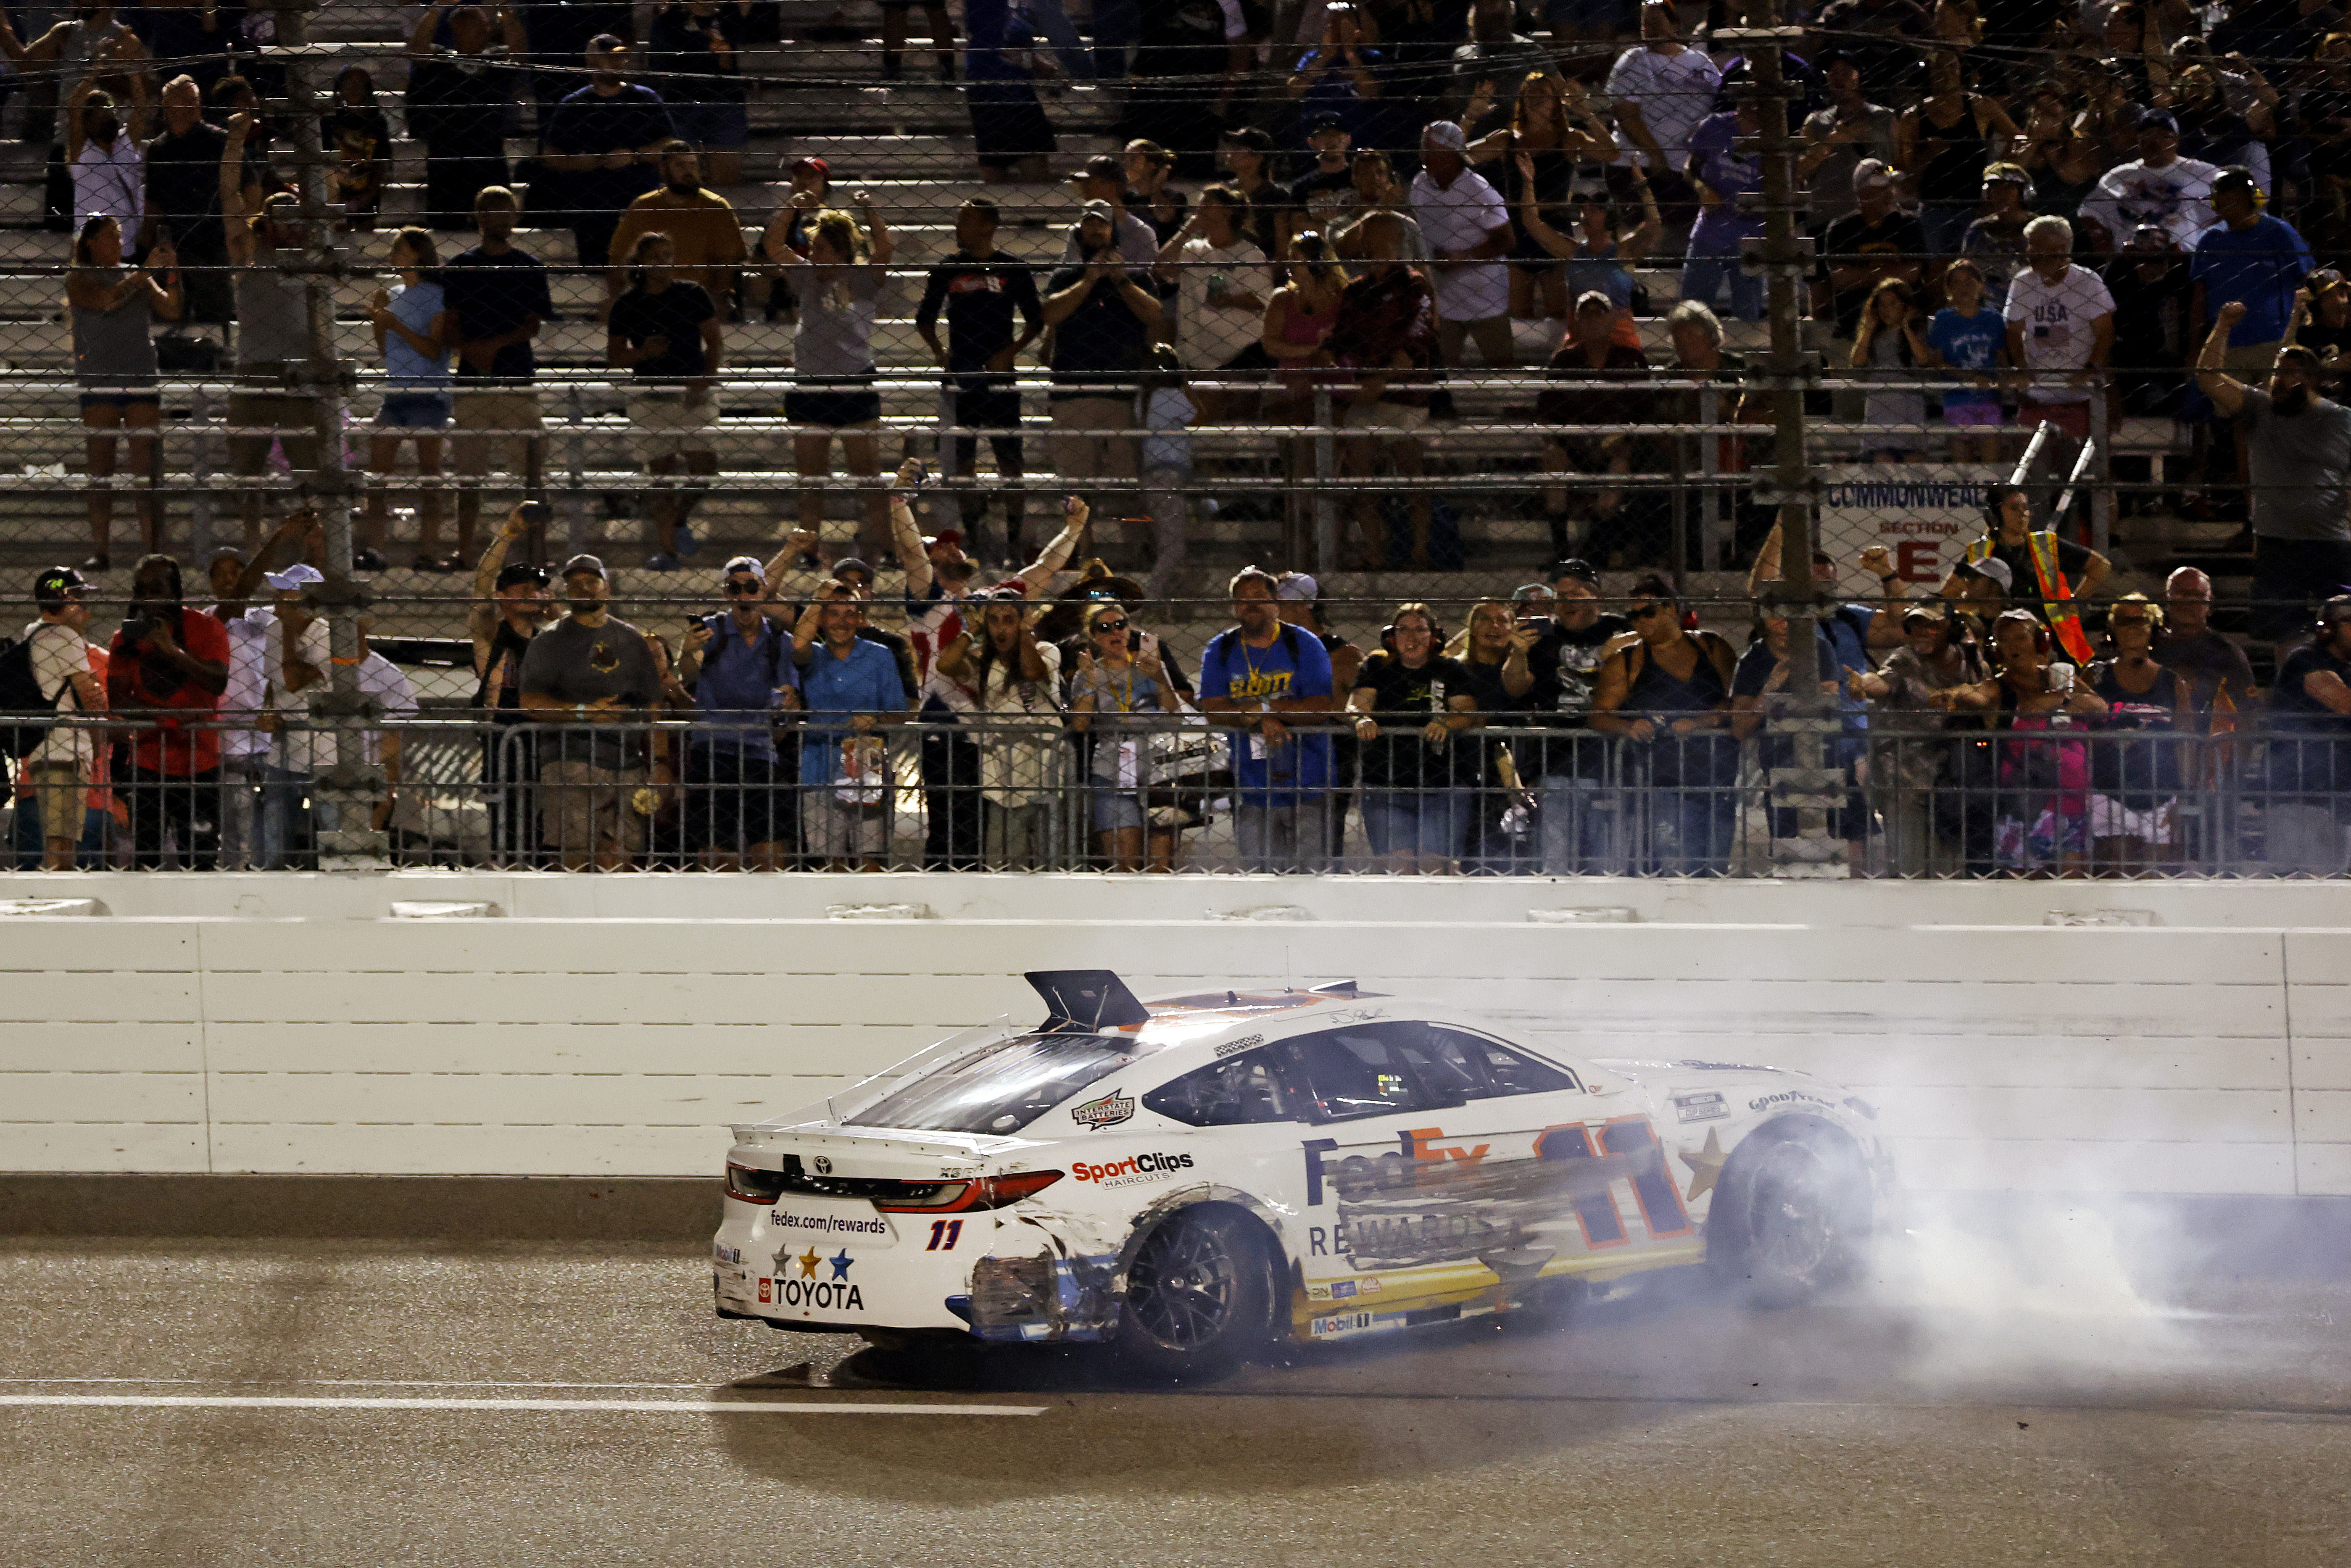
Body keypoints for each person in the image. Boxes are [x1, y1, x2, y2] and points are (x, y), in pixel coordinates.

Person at [2195, 303, 2351, 652]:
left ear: (2312, 380)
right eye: (2278, 371)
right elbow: (2208, 377)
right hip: (2277, 543)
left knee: (2344, 636)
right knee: (2285, 637)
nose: (2280, 379)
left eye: (2291, 373)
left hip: (2331, 544)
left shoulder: (2340, 420)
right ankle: (2293, 690)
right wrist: (2222, 326)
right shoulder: (2260, 408)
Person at [220, 116, 330, 559]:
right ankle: (252, 548)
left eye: (296, 223)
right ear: (266, 224)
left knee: (309, 470)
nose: (291, 230)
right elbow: (229, 198)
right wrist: (233, 143)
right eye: (282, 222)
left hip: (299, 373)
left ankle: (313, 548)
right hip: (255, 367)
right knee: (247, 471)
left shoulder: (310, 256)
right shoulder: (250, 252)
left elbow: (331, 203)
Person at [517, 553, 669, 872]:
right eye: (575, 584)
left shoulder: (631, 640)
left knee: (623, 856)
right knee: (573, 856)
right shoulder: (550, 640)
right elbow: (531, 701)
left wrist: (659, 762)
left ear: (607, 588)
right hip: (570, 760)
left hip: (627, 764)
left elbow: (654, 703)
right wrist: (585, 712)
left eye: (591, 582)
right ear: (566, 592)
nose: (584, 589)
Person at [915, 196, 1042, 562]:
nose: (958, 227)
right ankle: (976, 538)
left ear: (987, 225)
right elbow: (925, 318)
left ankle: (1016, 544)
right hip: (963, 375)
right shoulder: (948, 268)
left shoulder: (1013, 268)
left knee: (1010, 461)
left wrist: (1011, 351)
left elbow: (1036, 319)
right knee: (963, 464)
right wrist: (941, 354)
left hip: (1001, 375)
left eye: (965, 220)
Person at [1589, 572, 1738, 875]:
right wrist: (1627, 727)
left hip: (1718, 777)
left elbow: (1735, 700)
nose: (1640, 622)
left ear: (1671, 609)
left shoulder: (1712, 647)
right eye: (1633, 616)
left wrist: (1703, 721)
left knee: (1717, 872)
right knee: (1679, 873)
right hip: (1663, 781)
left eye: (1648, 612)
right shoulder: (1628, 661)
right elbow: (1598, 713)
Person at [1940, 609, 2108, 875]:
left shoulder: (2060, 678)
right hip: (2025, 807)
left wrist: (2056, 699)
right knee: (2023, 888)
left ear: (2039, 642)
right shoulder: (1997, 687)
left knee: (2072, 889)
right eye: (2004, 640)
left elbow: (2100, 707)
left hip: (2072, 804)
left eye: (2021, 637)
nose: (2013, 646)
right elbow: (1982, 696)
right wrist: (1954, 695)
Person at [1199, 566, 1336, 870]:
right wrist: (1264, 717)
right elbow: (1213, 709)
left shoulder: (1303, 644)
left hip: (1308, 780)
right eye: (1242, 599)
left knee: (1312, 876)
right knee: (1258, 876)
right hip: (1251, 784)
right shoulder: (1220, 649)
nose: (1251, 605)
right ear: (1234, 606)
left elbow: (1320, 706)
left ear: (1276, 603)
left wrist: (1263, 711)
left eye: (1259, 597)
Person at [1321, 211, 1437, 569]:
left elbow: (1418, 339)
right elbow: (1340, 339)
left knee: (1410, 471)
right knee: (1359, 475)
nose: (1368, 243)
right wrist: (1334, 370)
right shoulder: (1356, 290)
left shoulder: (1414, 285)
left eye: (1373, 235)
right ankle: (1375, 552)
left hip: (1404, 393)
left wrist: (1382, 380)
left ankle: (1421, 552)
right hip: (1365, 391)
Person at [783, 196, 893, 565]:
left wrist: (869, 211)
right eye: (814, 247)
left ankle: (888, 546)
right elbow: (772, 246)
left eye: (823, 248)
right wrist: (791, 208)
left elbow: (885, 250)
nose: (815, 254)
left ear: (842, 250)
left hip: (853, 380)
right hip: (811, 382)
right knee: (811, 477)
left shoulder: (861, 277)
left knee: (868, 475)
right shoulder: (807, 275)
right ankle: (809, 549)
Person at [445, 187, 553, 563]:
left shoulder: (529, 267)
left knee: (531, 473)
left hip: (516, 377)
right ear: (479, 218)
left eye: (507, 212)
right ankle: (465, 550)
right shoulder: (460, 268)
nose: (502, 219)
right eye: (493, 212)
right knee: (468, 475)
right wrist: (471, 349)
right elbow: (452, 324)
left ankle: (537, 551)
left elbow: (533, 324)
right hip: (472, 380)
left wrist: (493, 346)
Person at [1041, 203, 1162, 533]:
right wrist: (1089, 280)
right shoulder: (1066, 276)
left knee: (1127, 485)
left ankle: (1134, 550)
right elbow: (1049, 314)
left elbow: (1156, 316)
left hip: (1122, 394)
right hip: (1073, 393)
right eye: (1089, 224)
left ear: (1114, 231)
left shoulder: (1136, 277)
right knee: (1077, 488)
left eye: (1103, 225)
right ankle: (1080, 552)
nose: (1096, 231)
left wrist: (1120, 281)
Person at [674, 555, 800, 871]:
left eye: (751, 587)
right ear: (726, 593)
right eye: (735, 588)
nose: (744, 595)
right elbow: (689, 673)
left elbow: (787, 692)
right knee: (717, 854)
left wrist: (787, 705)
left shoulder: (779, 640)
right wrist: (687, 650)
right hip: (714, 749)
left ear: (764, 591)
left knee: (770, 853)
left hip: (761, 752)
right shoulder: (711, 630)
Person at [67, 212, 177, 570]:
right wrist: (145, 272)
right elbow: (106, 300)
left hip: (141, 377)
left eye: (119, 235)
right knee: (101, 470)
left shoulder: (137, 276)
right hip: (99, 380)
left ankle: (152, 551)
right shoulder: (79, 277)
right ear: (91, 242)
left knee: (145, 471)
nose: (118, 242)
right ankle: (101, 550)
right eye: (111, 236)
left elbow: (171, 308)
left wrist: (172, 271)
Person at [608, 230, 723, 572]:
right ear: (641, 262)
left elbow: (714, 341)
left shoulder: (692, 293)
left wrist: (706, 377)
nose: (662, 262)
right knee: (662, 477)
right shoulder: (628, 303)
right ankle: (669, 551)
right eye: (655, 256)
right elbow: (615, 356)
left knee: (705, 466)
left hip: (691, 392)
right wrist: (643, 352)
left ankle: (679, 522)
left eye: (667, 255)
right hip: (651, 394)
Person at [105, 553, 229, 870]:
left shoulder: (205, 626)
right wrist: (171, 718)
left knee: (201, 859)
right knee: (146, 859)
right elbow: (119, 701)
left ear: (175, 591)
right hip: (149, 763)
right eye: (143, 590)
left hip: (199, 762)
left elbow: (217, 681)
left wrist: (171, 650)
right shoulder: (126, 639)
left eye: (157, 588)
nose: (150, 598)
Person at [1848, 599, 1985, 875]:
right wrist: (1863, 684)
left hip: (1953, 774)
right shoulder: (1905, 658)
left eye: (1930, 626)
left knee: (1948, 865)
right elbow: (1883, 682)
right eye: (1915, 626)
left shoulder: (1969, 660)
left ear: (1949, 627)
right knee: (1910, 864)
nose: (1921, 633)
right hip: (1905, 774)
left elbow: (1988, 697)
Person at [1348, 602, 1481, 874]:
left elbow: (1467, 711)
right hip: (1386, 781)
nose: (1412, 638)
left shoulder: (1449, 669)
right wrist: (1362, 718)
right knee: (1400, 867)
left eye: (1420, 630)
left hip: (1442, 781)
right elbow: (1357, 703)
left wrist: (1445, 721)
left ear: (1433, 637)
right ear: (1392, 637)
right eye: (1404, 630)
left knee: (1435, 866)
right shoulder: (1376, 666)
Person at [538, 35, 675, 271]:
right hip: (593, 208)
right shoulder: (574, 104)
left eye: (621, 57)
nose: (618, 63)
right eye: (610, 58)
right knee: (598, 271)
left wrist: (634, 155)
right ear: (592, 62)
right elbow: (550, 154)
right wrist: (578, 164)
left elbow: (670, 144)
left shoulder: (644, 98)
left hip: (639, 202)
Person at [796, 582, 907, 872]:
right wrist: (819, 597)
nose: (842, 622)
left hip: (866, 761)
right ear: (821, 618)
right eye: (833, 614)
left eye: (850, 614)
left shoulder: (880, 655)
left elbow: (899, 713)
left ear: (860, 619)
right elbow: (797, 645)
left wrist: (875, 718)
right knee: (830, 861)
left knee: (870, 854)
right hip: (819, 764)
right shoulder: (812, 656)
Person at [361, 228, 454, 572]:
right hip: (395, 391)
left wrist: (394, 324)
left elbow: (434, 349)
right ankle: (375, 548)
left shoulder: (437, 295)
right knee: (377, 474)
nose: (392, 255)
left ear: (417, 254)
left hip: (427, 393)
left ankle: (427, 550)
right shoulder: (394, 293)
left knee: (429, 474)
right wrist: (379, 319)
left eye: (399, 249)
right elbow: (386, 350)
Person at [467, 505, 552, 867]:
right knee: (507, 823)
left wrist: (557, 610)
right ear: (505, 596)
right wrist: (508, 533)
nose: (534, 594)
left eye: (539, 589)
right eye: (525, 589)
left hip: (545, 743)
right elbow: (481, 585)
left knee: (544, 825)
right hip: (504, 742)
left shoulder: (550, 640)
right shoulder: (493, 634)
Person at [1537, 291, 1650, 564]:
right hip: (1575, 444)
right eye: (1585, 316)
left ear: (1612, 321)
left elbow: (1646, 409)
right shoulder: (1564, 362)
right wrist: (1559, 441)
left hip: (1618, 444)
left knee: (1620, 464)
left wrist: (1626, 438)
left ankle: (1593, 549)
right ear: (1576, 323)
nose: (1593, 322)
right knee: (1553, 460)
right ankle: (1562, 552)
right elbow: (1548, 413)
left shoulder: (1631, 360)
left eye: (1599, 315)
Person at [1937, 485, 2109, 663]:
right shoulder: (1981, 550)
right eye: (2014, 508)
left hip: (2055, 637)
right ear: (1995, 514)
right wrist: (1975, 605)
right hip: (2001, 638)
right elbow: (1949, 593)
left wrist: (2074, 599)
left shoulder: (2045, 544)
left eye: (2025, 508)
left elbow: (2100, 566)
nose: (2023, 514)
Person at [2083, 594, 2191, 873]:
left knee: (2158, 876)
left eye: (2141, 620)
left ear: (2154, 628)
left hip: (2161, 793)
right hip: (2108, 792)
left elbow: (2186, 743)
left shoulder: (2172, 681)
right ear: (2112, 630)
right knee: (2118, 871)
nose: (2133, 627)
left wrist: (2186, 798)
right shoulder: (2095, 676)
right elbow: (2080, 732)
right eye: (2124, 621)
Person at [403, 2, 523, 231]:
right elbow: (418, 50)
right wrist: (437, 10)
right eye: (477, 25)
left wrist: (506, 11)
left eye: (484, 26)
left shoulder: (494, 59)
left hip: (487, 152)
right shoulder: (442, 58)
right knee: (447, 226)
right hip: (447, 155)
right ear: (457, 28)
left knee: (497, 222)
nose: (485, 31)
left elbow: (519, 54)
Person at [1157, 187, 1272, 423]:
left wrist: (1229, 299)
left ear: (1228, 212)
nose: (1201, 212)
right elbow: (1161, 268)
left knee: (1234, 424)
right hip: (1197, 351)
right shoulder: (1194, 250)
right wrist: (1188, 229)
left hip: (1237, 353)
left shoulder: (1250, 255)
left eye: (1207, 206)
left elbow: (1263, 301)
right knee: (1202, 423)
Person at [1605, 0, 1721, 230]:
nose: (1650, 29)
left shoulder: (1701, 62)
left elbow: (1720, 104)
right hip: (1642, 165)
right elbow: (1626, 114)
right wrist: (1656, 157)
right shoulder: (1635, 59)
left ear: (1675, 25)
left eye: (1657, 22)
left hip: (1687, 168)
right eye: (1645, 24)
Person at [1409, 119, 1513, 371]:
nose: (1424, 155)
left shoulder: (1478, 191)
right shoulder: (1421, 184)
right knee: (1441, 364)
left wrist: (1463, 257)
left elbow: (1507, 240)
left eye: (1432, 150)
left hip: (1484, 295)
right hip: (1442, 295)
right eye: (1424, 148)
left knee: (1501, 365)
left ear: (1452, 154)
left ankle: (1512, 406)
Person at [2002, 215, 2115, 445]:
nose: (2030, 252)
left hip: (2079, 391)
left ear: (2060, 249)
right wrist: (2021, 367)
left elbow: (2105, 333)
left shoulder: (2087, 282)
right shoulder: (2023, 282)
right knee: (2032, 459)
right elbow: (2014, 332)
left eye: (2037, 245)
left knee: (2075, 457)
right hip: (2037, 390)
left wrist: (2089, 369)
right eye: (2030, 245)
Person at [19, 566, 104, 870]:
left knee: (59, 839)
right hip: (65, 751)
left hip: (44, 748)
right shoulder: (64, 636)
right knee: (62, 845)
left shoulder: (32, 634)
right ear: (61, 601)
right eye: (78, 597)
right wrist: (94, 691)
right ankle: (54, 903)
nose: (86, 606)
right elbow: (92, 699)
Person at [605, 142, 746, 318]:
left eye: (693, 164)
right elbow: (619, 259)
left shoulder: (716, 207)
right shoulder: (643, 207)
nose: (689, 171)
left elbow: (728, 264)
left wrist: (717, 301)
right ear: (664, 170)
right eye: (680, 165)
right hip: (650, 300)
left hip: (699, 299)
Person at [2266, 595, 2351, 874]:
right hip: (2302, 798)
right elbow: (2344, 702)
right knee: (2306, 891)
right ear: (2328, 628)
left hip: (2338, 798)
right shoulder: (2304, 660)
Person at [140, 74, 229, 324]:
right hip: (174, 247)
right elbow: (153, 202)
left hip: (213, 244)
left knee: (214, 319)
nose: (186, 109)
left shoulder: (219, 141)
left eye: (191, 102)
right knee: (169, 317)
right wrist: (148, 245)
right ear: (166, 108)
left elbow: (248, 186)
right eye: (178, 103)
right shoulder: (159, 149)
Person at [2077, 109, 2220, 255]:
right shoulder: (2120, 175)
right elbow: (2089, 213)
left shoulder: (2200, 172)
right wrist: (2105, 247)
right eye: (2147, 136)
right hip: (2133, 258)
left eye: (2163, 137)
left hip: (2181, 257)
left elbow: (2231, 200)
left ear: (2176, 140)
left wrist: (2205, 231)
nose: (2154, 142)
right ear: (2139, 141)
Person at [1814, 159, 1926, 342]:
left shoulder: (1908, 224)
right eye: (1881, 188)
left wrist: (1862, 276)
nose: (1889, 192)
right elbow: (1840, 279)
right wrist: (1893, 274)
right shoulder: (1842, 229)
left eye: (1890, 185)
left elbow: (1913, 273)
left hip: (1905, 329)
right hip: (1856, 325)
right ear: (1862, 193)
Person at [1680, 97, 1765, 322]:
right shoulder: (1715, 126)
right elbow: (1689, 168)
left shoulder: (1774, 136)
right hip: (1712, 227)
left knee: (1748, 313)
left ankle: (1747, 354)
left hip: (1754, 233)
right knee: (1693, 308)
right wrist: (1703, 189)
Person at [646, 0, 746, 187]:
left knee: (725, 178)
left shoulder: (728, 16)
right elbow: (658, 66)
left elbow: (735, 60)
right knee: (682, 175)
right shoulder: (669, 20)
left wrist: (725, 53)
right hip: (682, 102)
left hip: (725, 101)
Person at [1925, 256, 2008, 462]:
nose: (1963, 288)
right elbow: (1938, 362)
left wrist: (2003, 381)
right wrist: (1970, 377)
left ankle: (1993, 492)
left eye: (1969, 282)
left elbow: (2001, 358)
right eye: (1957, 283)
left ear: (1980, 286)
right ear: (1949, 289)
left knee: (1991, 460)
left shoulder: (1993, 319)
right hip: (1957, 397)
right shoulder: (1944, 320)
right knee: (1964, 464)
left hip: (1989, 397)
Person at [2154, 565, 2257, 721]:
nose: (2188, 602)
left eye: (2197, 595)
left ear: (2210, 603)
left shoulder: (2227, 653)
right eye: (2181, 594)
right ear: (2167, 599)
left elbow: (2248, 711)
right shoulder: (2153, 648)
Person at [1850, 277, 1932, 461]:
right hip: (1880, 406)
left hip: (1908, 404)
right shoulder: (1873, 334)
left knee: (1913, 462)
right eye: (1882, 305)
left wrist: (1906, 327)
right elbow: (1857, 362)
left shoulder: (1919, 329)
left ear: (1905, 306)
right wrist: (1868, 329)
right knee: (1883, 462)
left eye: (1892, 304)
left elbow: (1924, 359)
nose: (1886, 310)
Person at [65, 75, 145, 245]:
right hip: (93, 247)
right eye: (99, 115)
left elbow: (141, 110)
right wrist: (94, 72)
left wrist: (134, 72)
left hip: (128, 242)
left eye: (109, 111)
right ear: (87, 123)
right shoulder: (82, 152)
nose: (107, 119)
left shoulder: (125, 142)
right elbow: (74, 107)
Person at [323, 65, 390, 229]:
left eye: (361, 84)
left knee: (366, 232)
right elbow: (324, 161)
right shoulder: (328, 121)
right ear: (340, 88)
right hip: (335, 188)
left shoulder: (377, 123)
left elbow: (382, 162)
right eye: (350, 84)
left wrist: (368, 196)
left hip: (366, 188)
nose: (355, 89)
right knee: (337, 230)